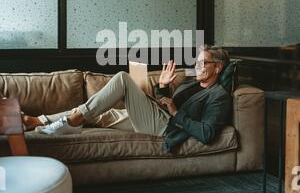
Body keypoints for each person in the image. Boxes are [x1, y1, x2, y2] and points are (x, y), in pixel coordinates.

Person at [23, 46, 232, 152]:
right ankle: (37, 122)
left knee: (122, 78)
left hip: (167, 127)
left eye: (203, 63)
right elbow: (165, 101)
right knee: (103, 114)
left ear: (218, 67)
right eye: (196, 62)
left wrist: (176, 112)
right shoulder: (191, 84)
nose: (197, 67)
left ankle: (73, 120)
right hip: (159, 114)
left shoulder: (218, 96)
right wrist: (163, 86)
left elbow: (207, 133)